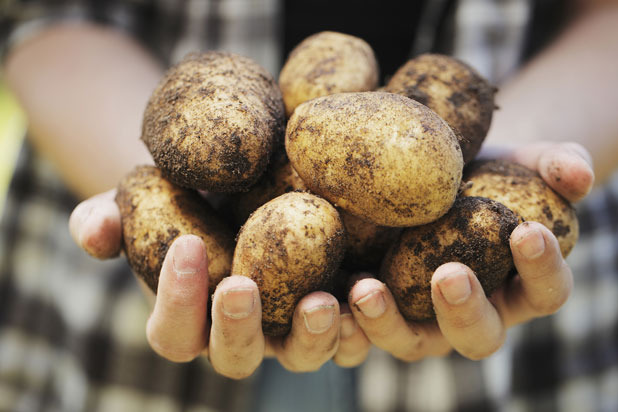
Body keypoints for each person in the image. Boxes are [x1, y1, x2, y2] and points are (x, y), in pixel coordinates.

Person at [0, 0, 616, 411]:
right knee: (280, 212)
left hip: (524, 362)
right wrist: (149, 181)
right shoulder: (277, 150)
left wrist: (515, 157)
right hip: (124, 347)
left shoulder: (365, 141)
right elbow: (43, 12)